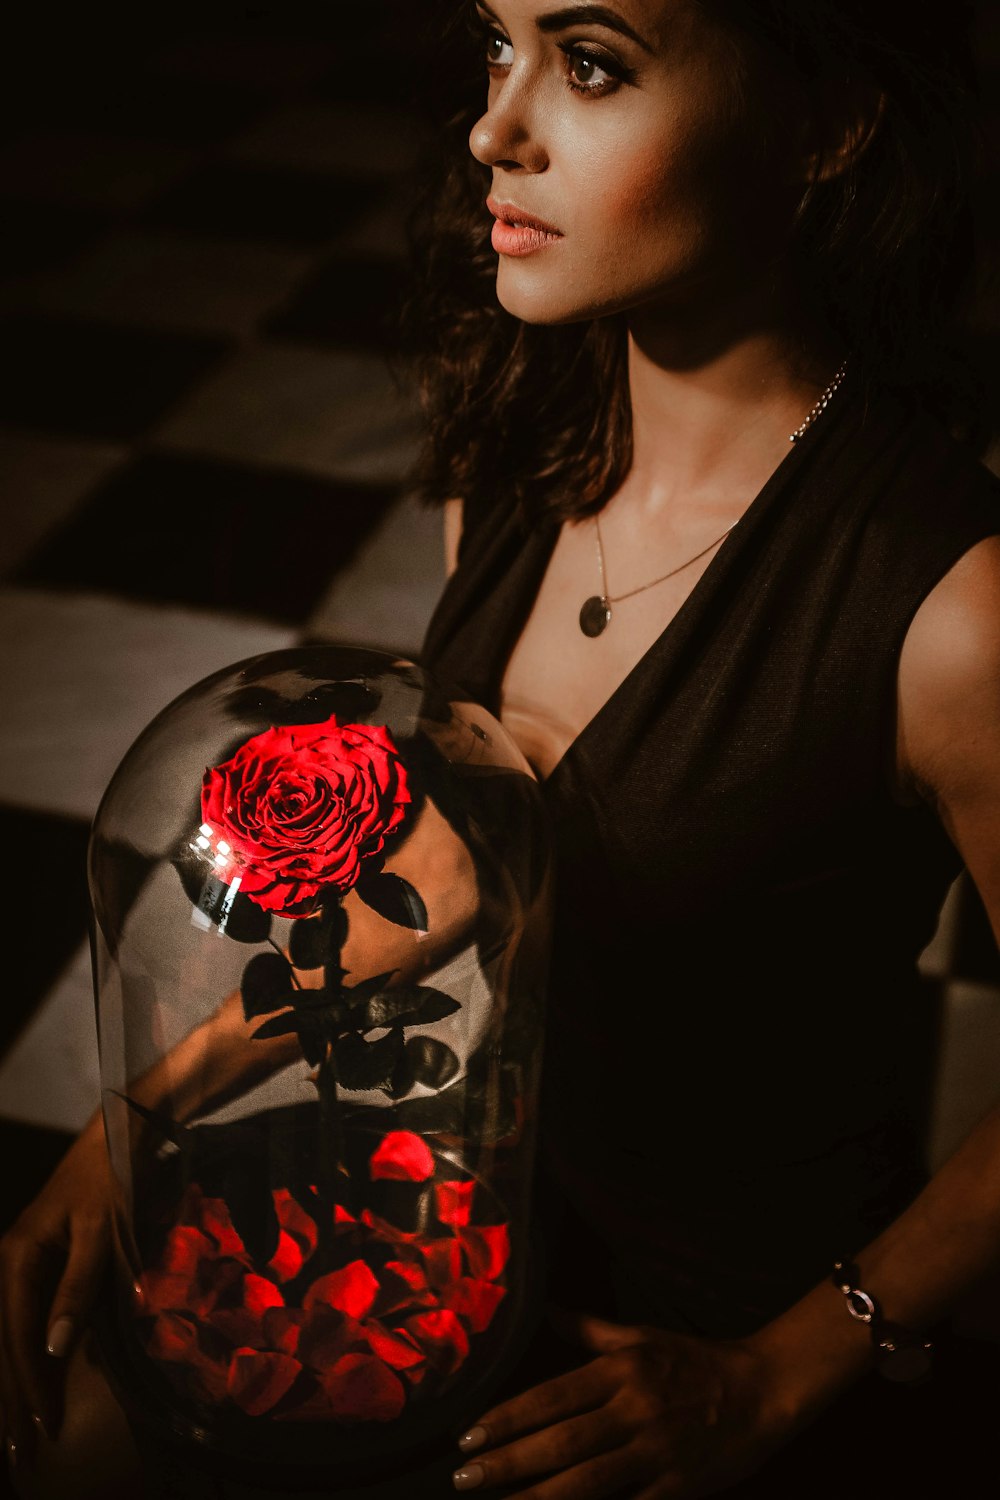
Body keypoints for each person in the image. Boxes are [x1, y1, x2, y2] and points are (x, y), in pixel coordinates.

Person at [3, 1, 1000, 1496]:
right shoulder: (520, 441)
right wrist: (139, 1119)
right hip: (465, 1195)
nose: (493, 127)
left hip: (696, 1338)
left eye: (588, 64)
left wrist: (789, 1366)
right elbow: (474, 860)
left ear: (829, 123)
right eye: (496, 45)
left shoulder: (950, 613)